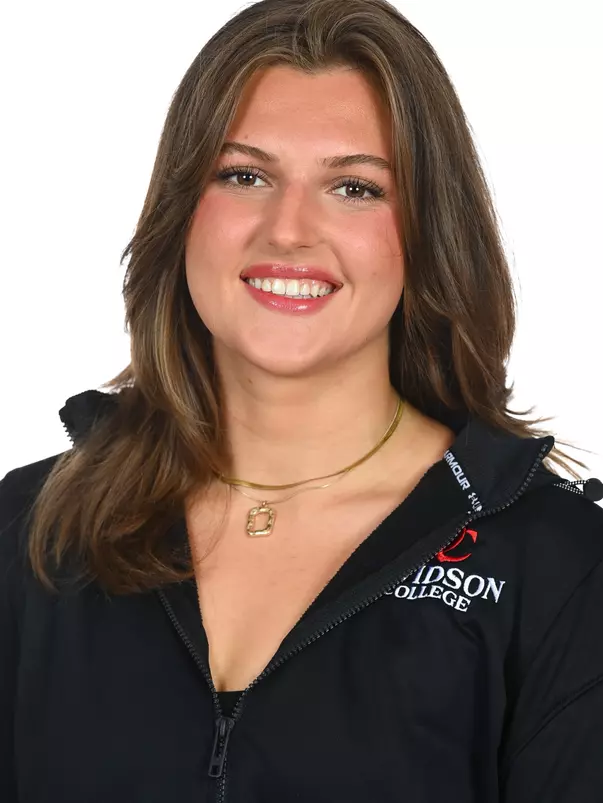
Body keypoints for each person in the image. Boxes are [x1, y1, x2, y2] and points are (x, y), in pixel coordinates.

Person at [1, 0, 602, 799]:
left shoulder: (557, 562)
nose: (288, 231)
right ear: (183, 213)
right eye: (243, 175)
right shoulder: (35, 526)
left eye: (354, 187)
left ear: (426, 231)